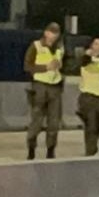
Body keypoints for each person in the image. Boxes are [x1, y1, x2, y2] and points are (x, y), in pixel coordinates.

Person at [24, 23, 65, 160]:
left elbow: (63, 65)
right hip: (39, 86)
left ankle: (50, 151)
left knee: (54, 123)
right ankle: (31, 150)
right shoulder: (35, 46)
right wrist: (45, 67)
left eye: (56, 33)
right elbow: (27, 66)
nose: (53, 35)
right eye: (51, 32)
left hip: (55, 87)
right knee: (37, 121)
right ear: (46, 33)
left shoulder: (60, 48)